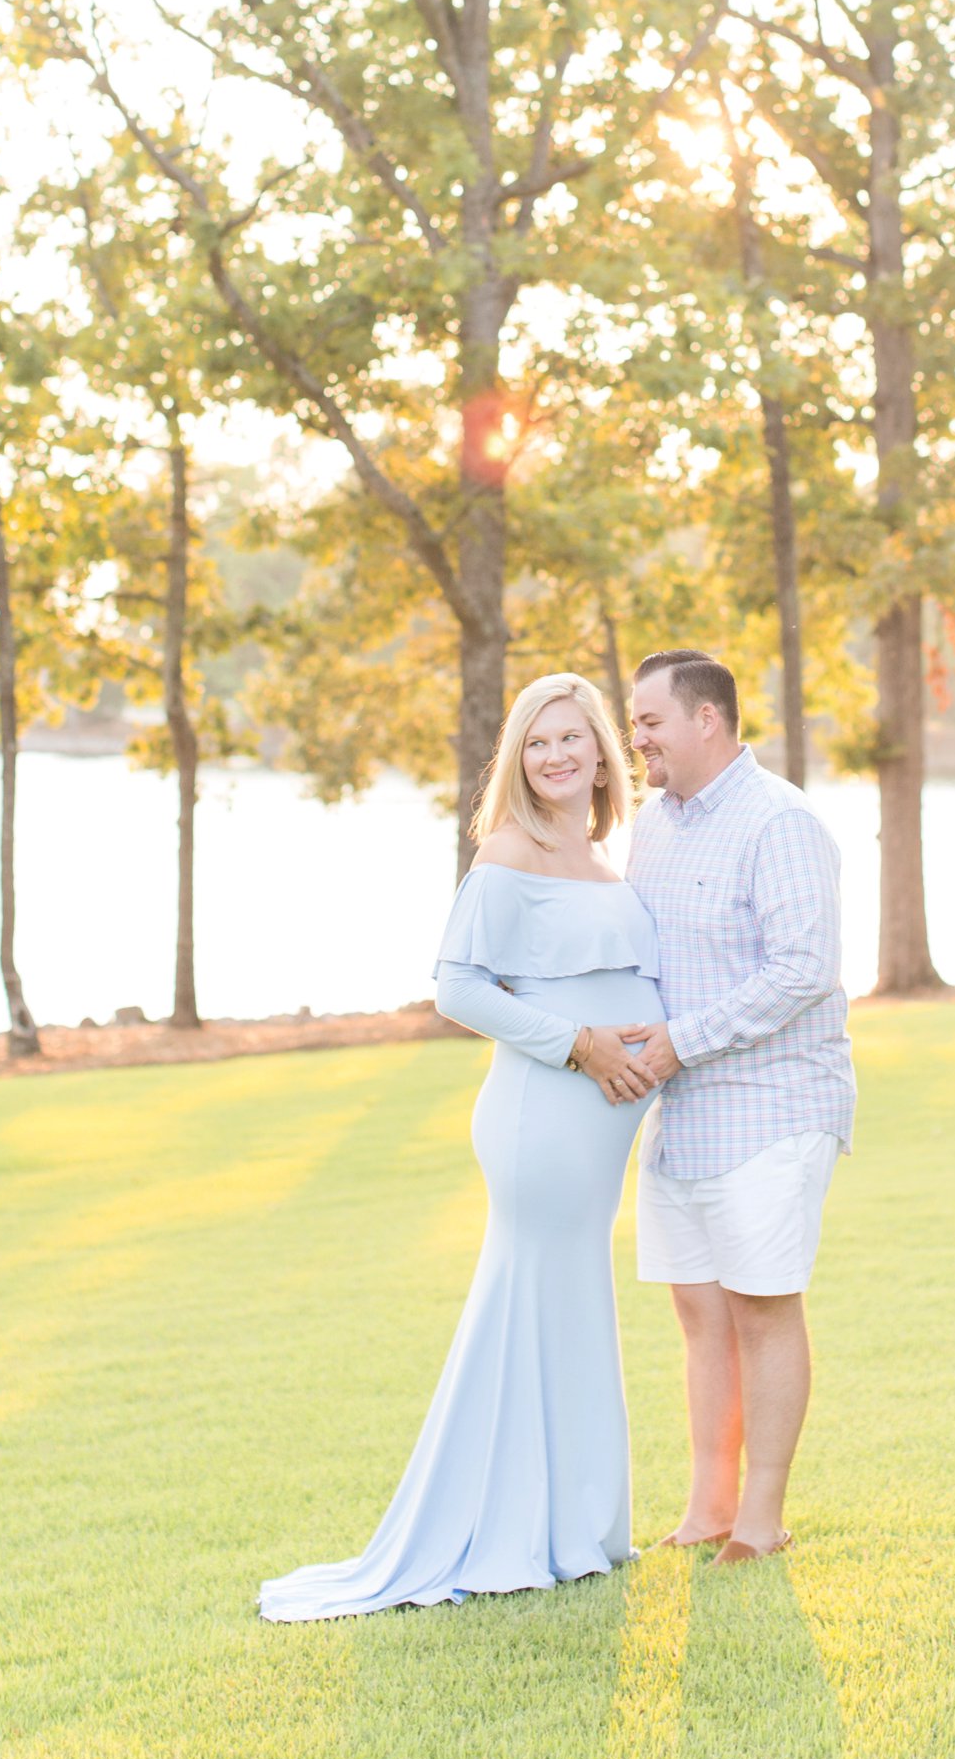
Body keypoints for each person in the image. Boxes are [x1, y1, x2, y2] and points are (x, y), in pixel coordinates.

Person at [256, 671, 661, 1621]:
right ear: (517, 758)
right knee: (533, 1303)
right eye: (537, 741)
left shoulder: (603, 851)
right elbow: (459, 989)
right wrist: (582, 1042)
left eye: (573, 737)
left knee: (570, 1304)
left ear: (603, 750)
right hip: (544, 1112)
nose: (557, 755)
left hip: (598, 1128)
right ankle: (516, 1527)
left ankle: (577, 1526)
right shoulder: (509, 852)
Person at [618, 647, 854, 1566]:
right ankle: (708, 1504)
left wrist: (680, 1040)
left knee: (761, 1306)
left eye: (648, 721)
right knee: (698, 1311)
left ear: (705, 719)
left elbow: (802, 969)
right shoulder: (652, 825)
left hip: (773, 1105)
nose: (635, 738)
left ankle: (762, 1516)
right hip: (682, 1115)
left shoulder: (779, 821)